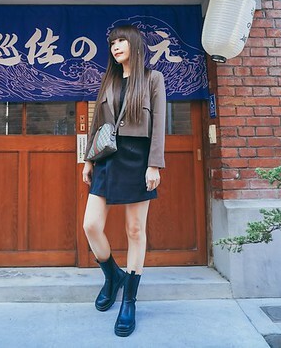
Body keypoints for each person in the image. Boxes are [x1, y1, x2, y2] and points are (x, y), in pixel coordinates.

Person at [82, 24, 166, 337]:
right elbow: (96, 123)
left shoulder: (153, 78)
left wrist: (154, 165)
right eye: (112, 43)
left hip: (137, 159)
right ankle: (112, 276)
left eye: (121, 41)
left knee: (134, 230)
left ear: (134, 43)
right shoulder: (109, 79)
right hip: (107, 159)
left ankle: (129, 299)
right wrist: (88, 160)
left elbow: (159, 124)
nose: (115, 46)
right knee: (91, 225)